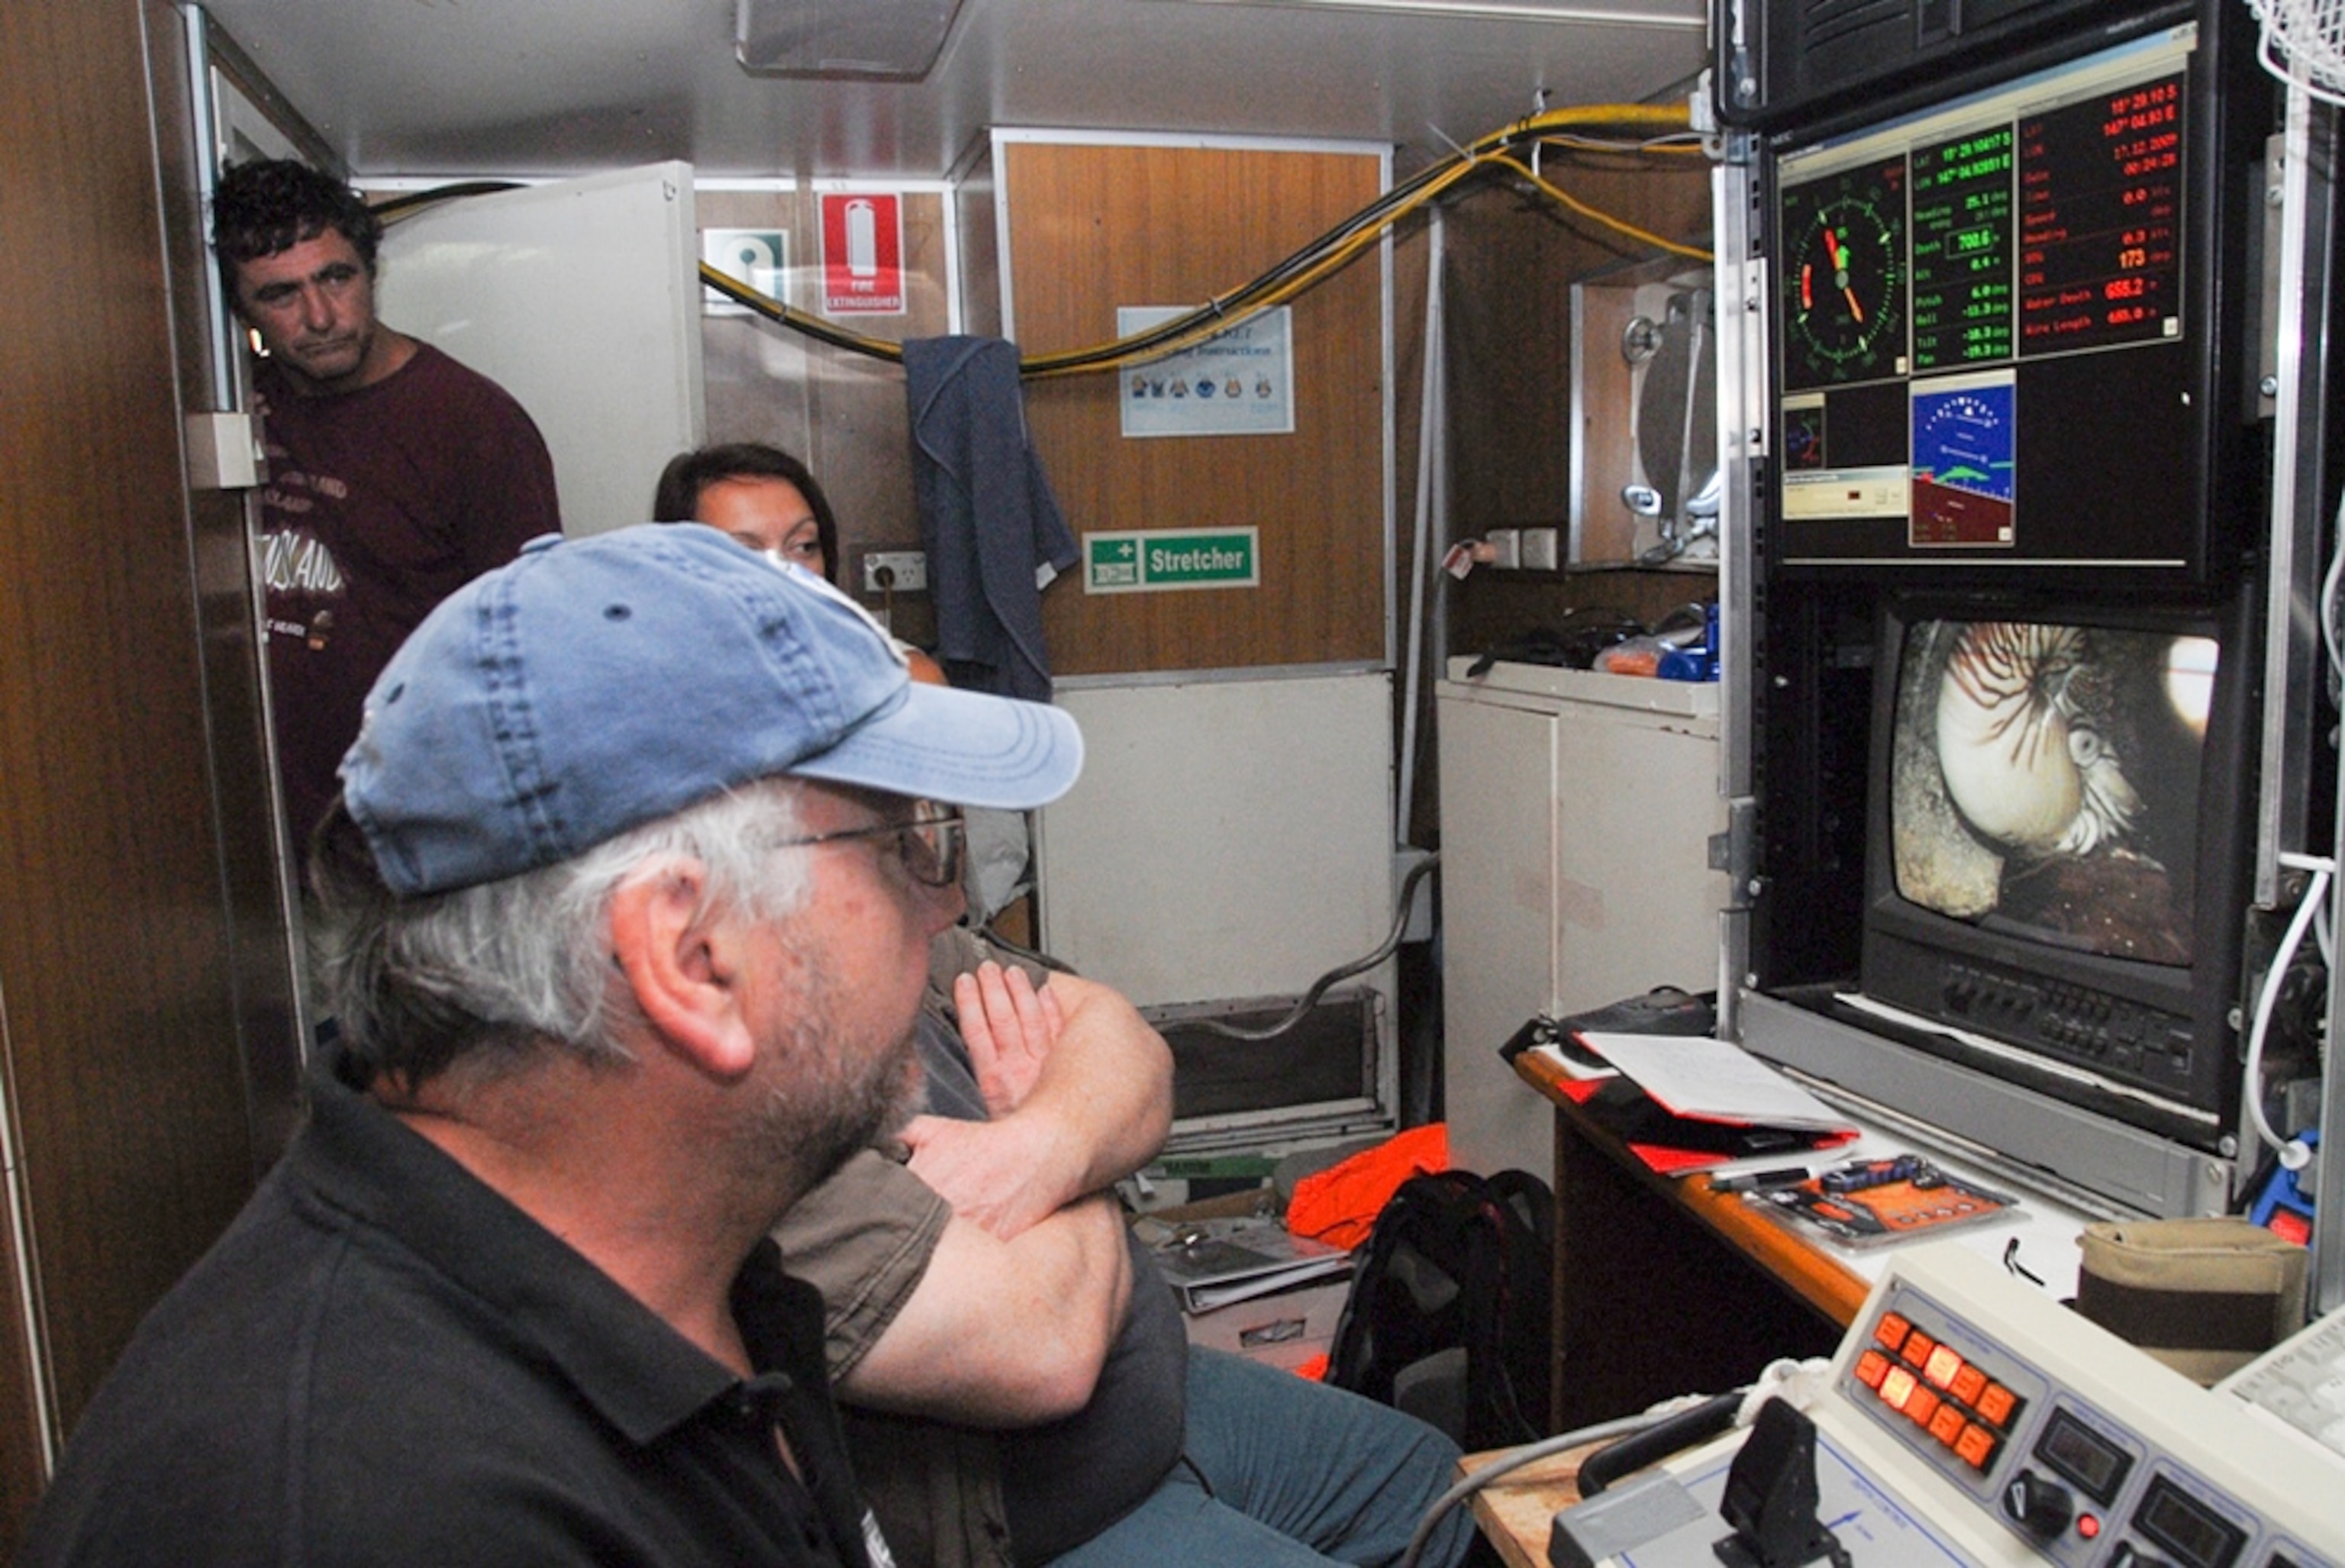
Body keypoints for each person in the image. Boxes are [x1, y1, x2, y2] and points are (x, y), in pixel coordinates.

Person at [18, 523, 1085, 1565]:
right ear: (693, 954)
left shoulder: (691, 1273)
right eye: (902, 841)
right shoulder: (385, 1512)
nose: (940, 906)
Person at [212, 157, 561, 856]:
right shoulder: (235, 409)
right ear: (242, 311)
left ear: (371, 273)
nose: (318, 316)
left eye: (335, 278)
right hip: (270, 844)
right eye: (280, 295)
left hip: (424, 840)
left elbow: (532, 654)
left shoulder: (471, 423)